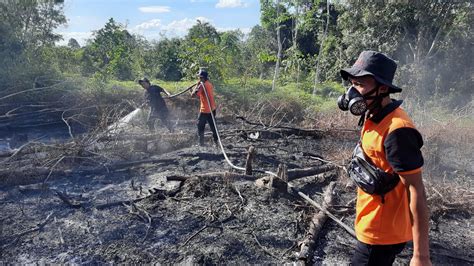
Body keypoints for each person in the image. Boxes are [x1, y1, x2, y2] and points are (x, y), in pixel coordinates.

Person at [337, 51, 431, 266]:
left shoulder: (398, 130)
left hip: (381, 235)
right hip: (372, 224)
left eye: (361, 84)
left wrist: (421, 256)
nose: (353, 92)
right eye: (352, 83)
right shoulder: (373, 115)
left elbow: (416, 190)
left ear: (382, 88)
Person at [191, 70, 218, 146]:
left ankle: (201, 143)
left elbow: (193, 95)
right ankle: (216, 142)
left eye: (199, 77)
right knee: (213, 127)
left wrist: (196, 86)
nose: (199, 78)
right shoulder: (209, 84)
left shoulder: (201, 85)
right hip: (212, 109)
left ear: (202, 77)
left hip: (204, 110)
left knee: (200, 126)